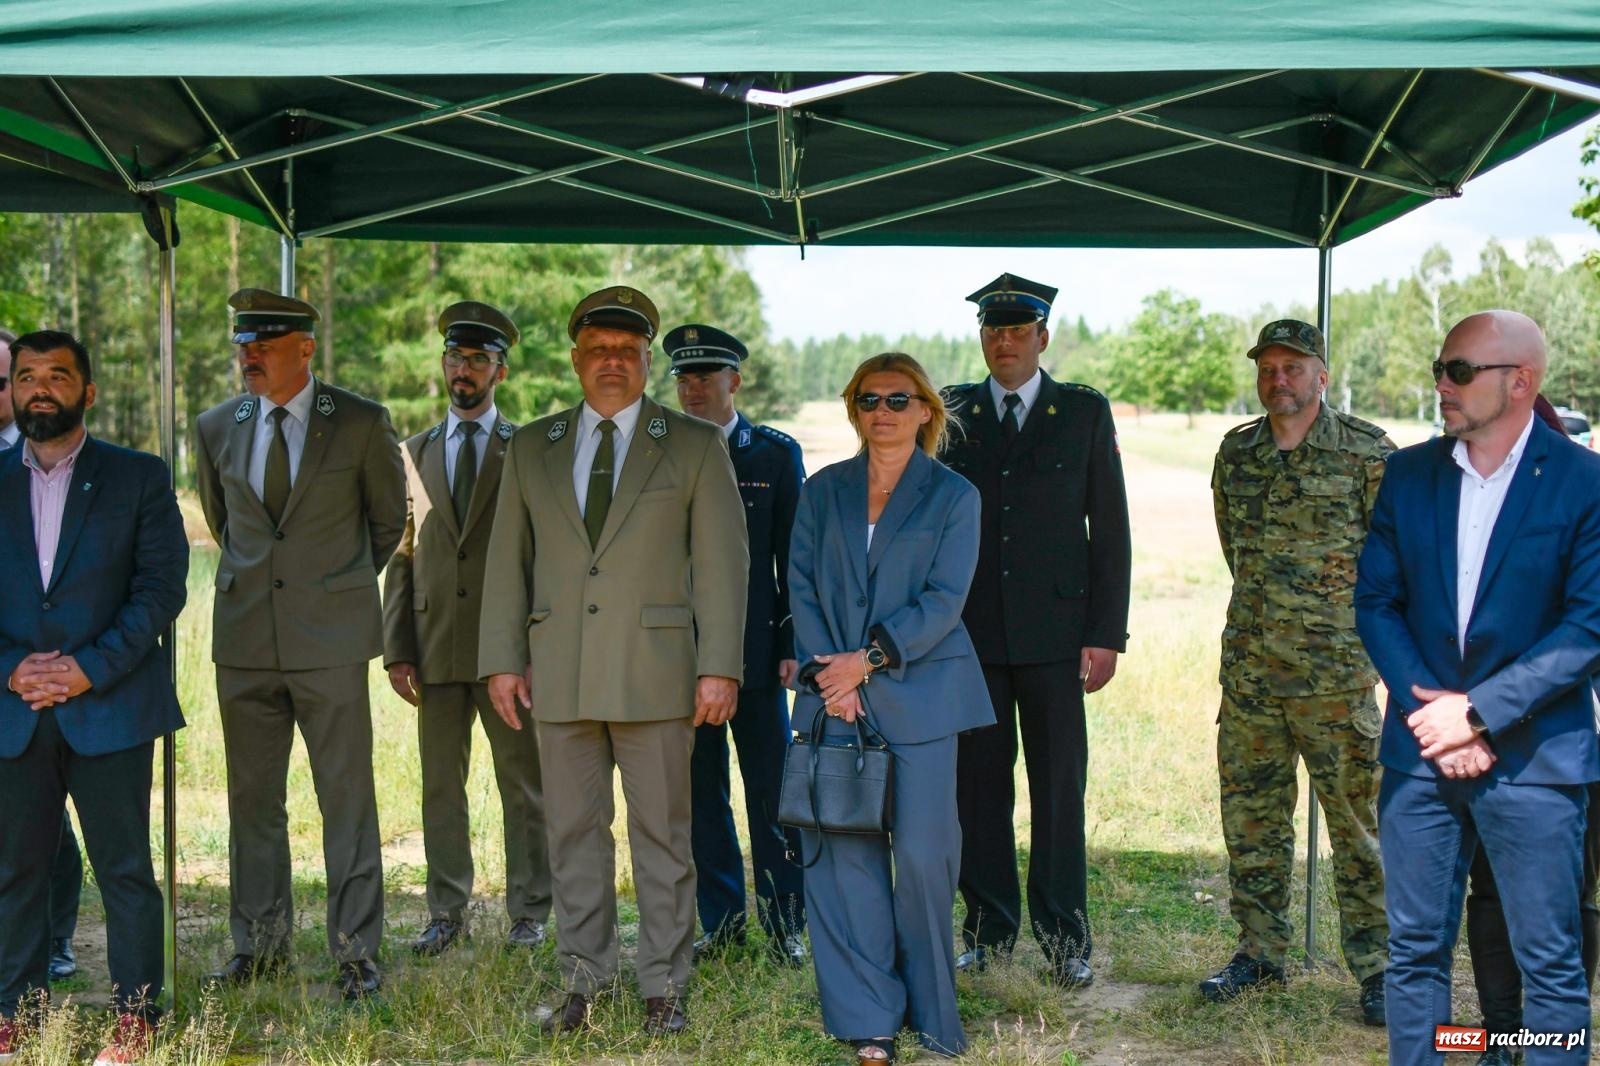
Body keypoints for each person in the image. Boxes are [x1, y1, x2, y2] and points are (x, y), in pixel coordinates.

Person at [479, 286, 748, 1036]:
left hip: (659, 675)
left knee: (663, 834)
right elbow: (509, 561)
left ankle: (664, 985)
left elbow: (725, 565)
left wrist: (720, 664)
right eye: (598, 350)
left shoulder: (693, 443)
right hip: (556, 674)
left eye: (627, 352)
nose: (611, 363)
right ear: (574, 360)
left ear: (645, 363)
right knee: (571, 834)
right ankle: (584, 983)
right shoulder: (531, 446)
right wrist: (502, 658)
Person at [1355, 310, 1600, 1066]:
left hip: (1535, 759)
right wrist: (1439, 718)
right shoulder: (1408, 472)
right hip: (1420, 755)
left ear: (1519, 383)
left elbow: (1588, 627)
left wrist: (1480, 714)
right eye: (1440, 366)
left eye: (1459, 371)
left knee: (1549, 966)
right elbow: (1376, 602)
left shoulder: (1585, 481)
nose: (1441, 384)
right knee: (1415, 952)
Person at [194, 288, 406, 1001]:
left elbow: (387, 523)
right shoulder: (219, 425)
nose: (248, 354)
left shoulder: (359, 422)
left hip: (332, 642)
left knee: (345, 798)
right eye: (242, 343)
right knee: (254, 801)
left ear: (305, 348)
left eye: (264, 342)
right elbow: (229, 526)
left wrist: (333, 590)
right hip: (245, 640)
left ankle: (356, 955)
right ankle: (258, 945)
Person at [789, 352, 991, 1063]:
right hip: (834, 705)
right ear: (853, 408)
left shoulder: (954, 496)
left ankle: (934, 1015)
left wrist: (866, 663)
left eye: (899, 400)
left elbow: (943, 600)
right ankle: (868, 1019)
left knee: (928, 858)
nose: (883, 411)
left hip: (923, 699)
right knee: (844, 861)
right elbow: (803, 587)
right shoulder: (821, 490)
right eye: (868, 399)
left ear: (926, 411)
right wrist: (832, 681)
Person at [0, 330, 188, 1065]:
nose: (40, 387)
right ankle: (12, 1013)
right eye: (26, 376)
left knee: (124, 872)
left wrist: (88, 669)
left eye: (57, 375)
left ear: (89, 390)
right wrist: (13, 668)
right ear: (12, 390)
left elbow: (160, 589)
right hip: (14, 710)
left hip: (109, 707)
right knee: (15, 872)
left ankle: (137, 1018)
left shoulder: (137, 476)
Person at [943, 273, 1131, 987]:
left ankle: (1065, 940)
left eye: (1019, 331)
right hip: (974, 637)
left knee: (1059, 791)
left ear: (1043, 338)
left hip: (1058, 638)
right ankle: (988, 932)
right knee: (979, 791)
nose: (1004, 342)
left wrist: (1106, 633)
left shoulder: (1081, 411)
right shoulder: (954, 411)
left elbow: (1109, 529)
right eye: (994, 331)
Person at [1203, 319, 1391, 1024]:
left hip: (1335, 677)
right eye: (1268, 367)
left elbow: (1391, 560)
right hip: (1251, 674)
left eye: (1293, 366)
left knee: (1359, 828)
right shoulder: (1237, 452)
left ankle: (1378, 969)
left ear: (1322, 374)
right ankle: (1259, 953)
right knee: (1251, 822)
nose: (1278, 378)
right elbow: (1235, 549)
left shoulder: (1368, 452)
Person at [382, 302, 551, 957]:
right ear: (444, 365)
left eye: (478, 359)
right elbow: (402, 556)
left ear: (499, 371)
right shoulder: (414, 453)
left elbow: (544, 556)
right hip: (435, 647)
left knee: (524, 785)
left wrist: (536, 646)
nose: (464, 369)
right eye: (456, 357)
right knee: (440, 787)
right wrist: (398, 649)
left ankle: (529, 912)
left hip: (509, 651)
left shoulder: (528, 451)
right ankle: (445, 912)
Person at [665, 322, 808, 967]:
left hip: (754, 658)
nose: (693, 389)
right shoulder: (659, 450)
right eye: (684, 377)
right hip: (679, 660)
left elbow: (793, 561)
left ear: (735, 381)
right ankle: (721, 925)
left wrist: (789, 640)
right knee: (701, 799)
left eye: (706, 376)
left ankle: (787, 924)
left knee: (772, 794)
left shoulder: (773, 454)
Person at [1464, 393, 1600, 1066]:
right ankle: (1500, 1035)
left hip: (1581, 736)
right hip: (1504, 727)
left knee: (1576, 894)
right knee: (1491, 886)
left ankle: (1549, 1032)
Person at [0, 328, 79, 982]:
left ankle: (53, 945)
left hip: (48, 696)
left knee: (38, 840)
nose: (29, 390)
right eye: (22, 378)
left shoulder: (35, 458)